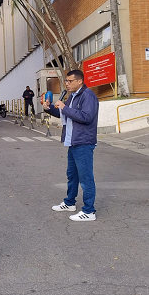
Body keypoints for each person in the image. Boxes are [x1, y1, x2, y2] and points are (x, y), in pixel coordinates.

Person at [43, 69, 99, 221]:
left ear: (80, 81)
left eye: (70, 81)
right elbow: (63, 113)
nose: (67, 84)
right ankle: (69, 203)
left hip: (83, 142)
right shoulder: (73, 96)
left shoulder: (88, 96)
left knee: (85, 177)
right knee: (72, 175)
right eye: (66, 81)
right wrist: (49, 108)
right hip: (73, 141)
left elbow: (86, 117)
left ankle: (89, 211)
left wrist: (64, 107)